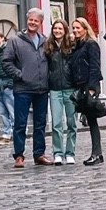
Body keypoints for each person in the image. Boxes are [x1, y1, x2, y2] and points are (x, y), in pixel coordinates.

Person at [2, 8, 52, 167]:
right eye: (31, 19)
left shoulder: (45, 41)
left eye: (36, 20)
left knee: (40, 124)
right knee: (20, 124)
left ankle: (39, 154)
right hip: (23, 89)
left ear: (40, 23)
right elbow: (6, 62)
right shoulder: (15, 40)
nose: (32, 23)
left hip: (42, 89)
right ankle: (19, 155)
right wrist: (20, 75)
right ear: (27, 20)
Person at [69, 18, 105, 164]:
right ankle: (97, 153)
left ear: (85, 28)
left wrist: (91, 89)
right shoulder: (78, 46)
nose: (75, 30)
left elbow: (95, 67)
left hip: (89, 86)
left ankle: (97, 153)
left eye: (78, 28)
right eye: (73, 28)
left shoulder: (91, 44)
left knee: (92, 120)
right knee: (90, 120)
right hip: (81, 86)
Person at [46, 17, 77, 163]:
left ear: (65, 30)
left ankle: (70, 153)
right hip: (55, 89)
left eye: (60, 28)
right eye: (55, 28)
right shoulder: (48, 47)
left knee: (72, 123)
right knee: (56, 123)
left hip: (70, 88)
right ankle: (58, 152)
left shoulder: (71, 45)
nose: (57, 31)